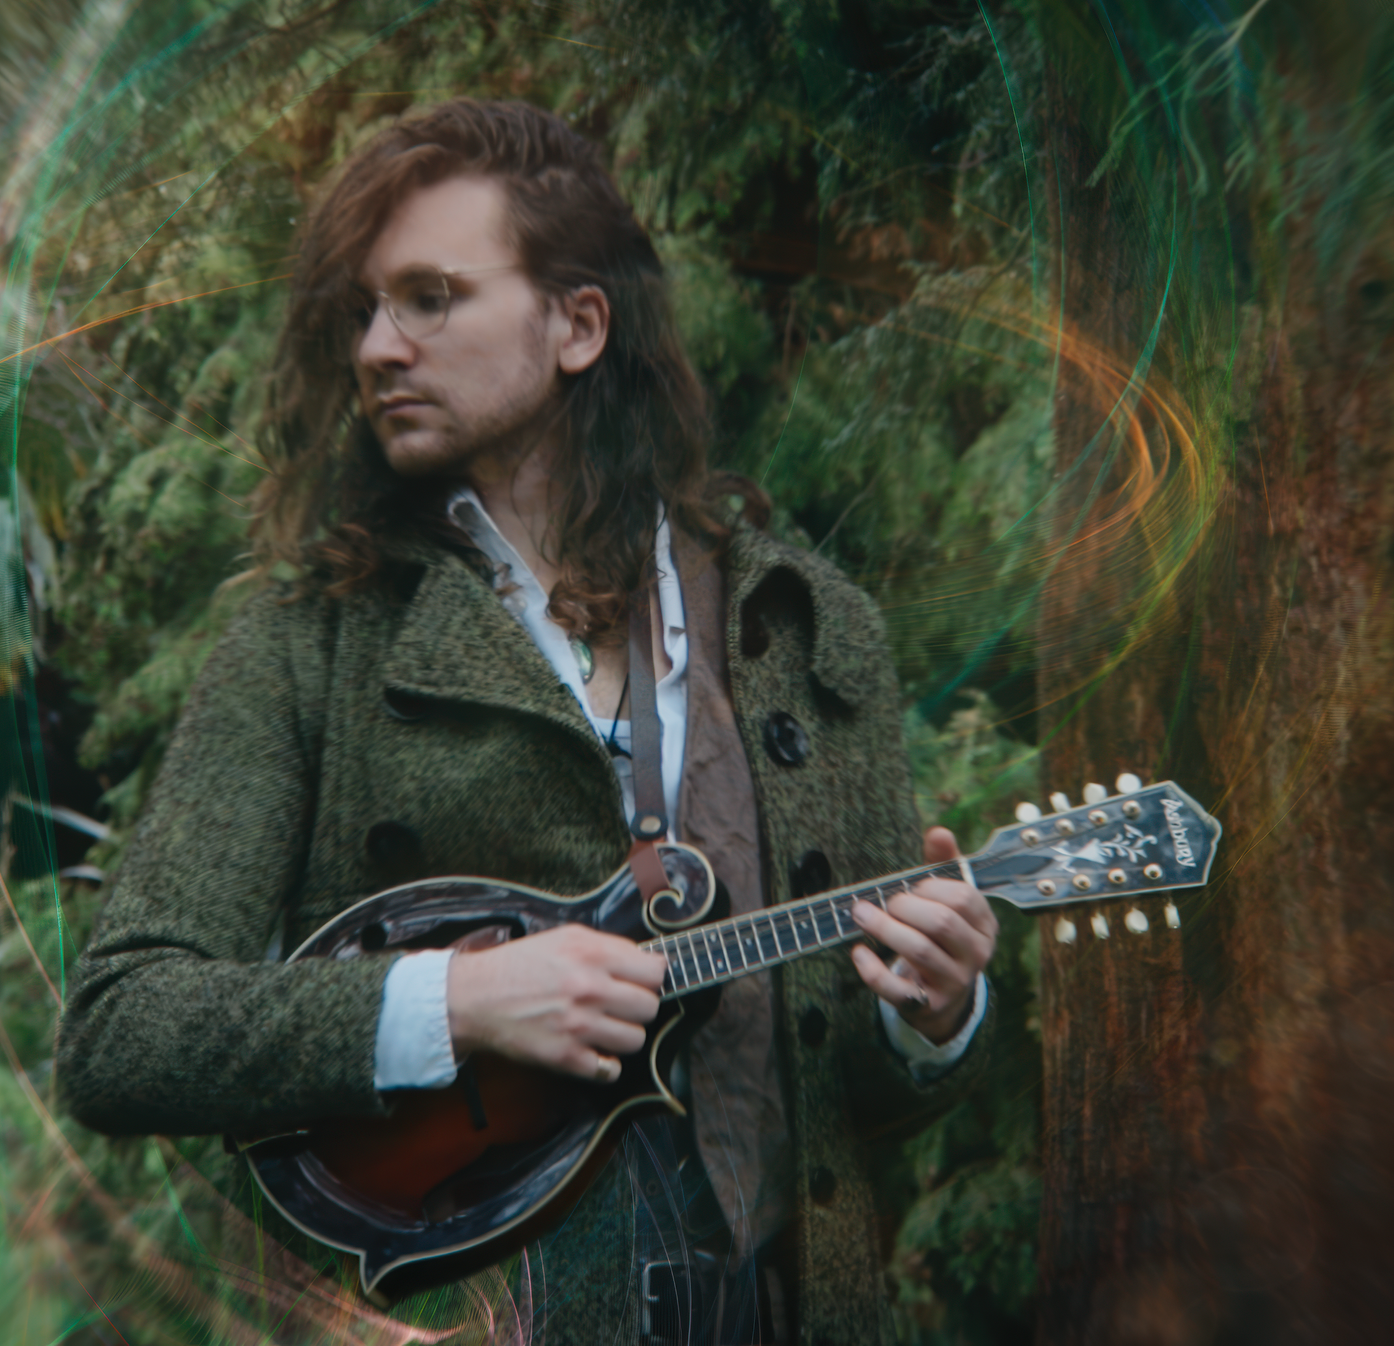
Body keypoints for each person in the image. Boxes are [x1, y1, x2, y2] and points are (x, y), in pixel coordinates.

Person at [55, 100, 999, 1346]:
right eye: (364, 311)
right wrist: (458, 1000)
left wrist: (931, 1011)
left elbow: (847, 1103)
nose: (380, 347)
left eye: (431, 296)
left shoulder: (798, 628)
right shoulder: (310, 638)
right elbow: (121, 1031)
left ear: (577, 325)